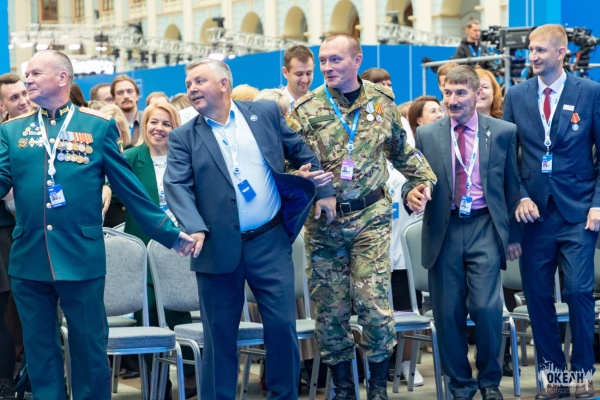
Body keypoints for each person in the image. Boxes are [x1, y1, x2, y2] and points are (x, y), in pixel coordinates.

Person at [0, 50, 193, 400]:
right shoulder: (12, 131)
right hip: (29, 257)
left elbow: (130, 190)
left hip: (81, 256)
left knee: (89, 349)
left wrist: (169, 234)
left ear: (62, 77)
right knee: (40, 352)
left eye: (35, 73)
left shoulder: (97, 126)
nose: (27, 79)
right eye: (27, 74)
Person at [163, 58, 336, 400]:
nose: (192, 88)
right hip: (215, 246)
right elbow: (176, 186)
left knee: (282, 326)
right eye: (188, 84)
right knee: (219, 336)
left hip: (269, 240)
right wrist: (194, 227)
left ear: (223, 84)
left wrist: (325, 191)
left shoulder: (265, 114)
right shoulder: (184, 136)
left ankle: (283, 395)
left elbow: (302, 152)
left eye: (199, 81)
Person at [290, 33, 437, 400]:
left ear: (357, 61)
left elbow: (403, 153)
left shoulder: (381, 102)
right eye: (323, 61)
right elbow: (285, 166)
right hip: (324, 225)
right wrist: (301, 179)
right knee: (331, 310)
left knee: (373, 304)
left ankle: (377, 388)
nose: (327, 67)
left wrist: (421, 183)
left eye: (335, 60)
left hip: (371, 218)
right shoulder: (305, 109)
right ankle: (343, 388)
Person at [408, 65, 520, 400]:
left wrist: (513, 237)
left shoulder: (503, 131)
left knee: (486, 308)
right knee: (447, 313)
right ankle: (460, 385)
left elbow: (513, 185)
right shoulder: (427, 134)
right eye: (447, 93)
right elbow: (413, 178)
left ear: (476, 94)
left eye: (460, 93)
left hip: (485, 227)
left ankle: (489, 381)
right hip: (444, 230)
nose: (452, 100)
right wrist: (410, 193)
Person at [503, 24, 600, 400]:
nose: (533, 56)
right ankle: (554, 376)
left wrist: (597, 203)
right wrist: (520, 197)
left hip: (578, 212)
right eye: (531, 49)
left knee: (578, 291)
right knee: (538, 296)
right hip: (534, 216)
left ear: (562, 53)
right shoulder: (516, 94)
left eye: (541, 50)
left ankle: (583, 373)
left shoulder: (589, 92)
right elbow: (507, 159)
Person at [122, 102, 197, 398]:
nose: (159, 128)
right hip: (143, 246)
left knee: (179, 309)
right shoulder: (130, 157)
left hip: (181, 247)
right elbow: (108, 181)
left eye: (166, 123)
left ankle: (190, 374)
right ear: (145, 124)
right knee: (149, 311)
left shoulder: (185, 158)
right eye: (154, 122)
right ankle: (156, 382)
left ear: (175, 127)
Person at [360, 67, 424, 387]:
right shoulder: (358, 122)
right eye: (379, 84)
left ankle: (408, 363)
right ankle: (376, 365)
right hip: (368, 228)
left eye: (389, 82)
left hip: (402, 221)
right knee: (373, 305)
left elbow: (411, 166)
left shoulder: (400, 124)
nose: (387, 88)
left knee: (405, 299)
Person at [0, 73, 32, 399]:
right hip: (7, 236)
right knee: (7, 318)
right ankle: (7, 385)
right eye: (14, 97)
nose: (23, 101)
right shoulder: (5, 137)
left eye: (24, 93)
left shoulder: (48, 128)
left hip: (42, 237)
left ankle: (35, 382)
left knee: (36, 317)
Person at [111, 75, 142, 144]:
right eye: (120, 93)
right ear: (114, 99)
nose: (126, 96)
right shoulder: (110, 125)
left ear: (137, 95)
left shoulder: (148, 120)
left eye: (129, 91)